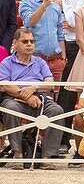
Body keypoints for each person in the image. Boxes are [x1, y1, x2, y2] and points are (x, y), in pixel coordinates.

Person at [0, 27, 66, 167]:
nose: (29, 44)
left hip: (40, 97)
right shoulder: (6, 63)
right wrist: (26, 97)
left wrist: (34, 88)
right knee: (10, 109)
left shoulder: (40, 62)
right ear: (15, 43)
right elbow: (5, 85)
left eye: (32, 41)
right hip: (15, 98)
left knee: (57, 111)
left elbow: (50, 83)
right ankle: (17, 154)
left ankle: (48, 156)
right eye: (25, 41)